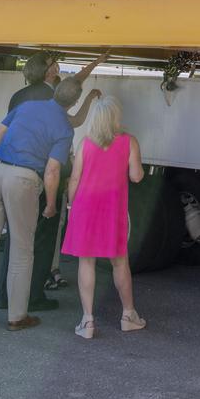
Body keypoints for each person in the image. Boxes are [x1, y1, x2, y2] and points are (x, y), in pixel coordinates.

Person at [0, 77, 83, 332]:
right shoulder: (64, 127)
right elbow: (52, 170)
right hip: (24, 179)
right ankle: (17, 316)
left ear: (55, 92)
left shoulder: (28, 106)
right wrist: (50, 204)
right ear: (74, 101)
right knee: (21, 249)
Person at [0, 48, 109, 311]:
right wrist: (95, 67)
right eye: (53, 63)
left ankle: (5, 295)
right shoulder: (52, 97)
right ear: (49, 71)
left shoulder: (20, 96)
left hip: (9, 169)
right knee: (42, 241)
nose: (57, 64)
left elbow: (3, 132)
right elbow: (75, 94)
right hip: (40, 175)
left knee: (15, 238)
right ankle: (33, 296)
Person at [61, 95, 146, 339]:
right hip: (112, 209)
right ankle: (128, 316)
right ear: (115, 117)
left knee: (86, 262)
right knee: (119, 262)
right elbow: (137, 176)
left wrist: (71, 206)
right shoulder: (129, 142)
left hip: (85, 207)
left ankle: (87, 322)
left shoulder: (85, 144)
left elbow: (75, 178)